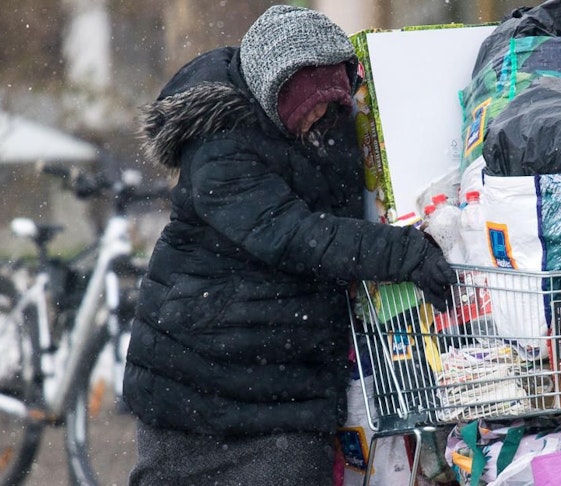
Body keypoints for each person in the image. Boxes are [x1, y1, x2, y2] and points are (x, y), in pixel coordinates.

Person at [123, 5, 456, 485]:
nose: (320, 118)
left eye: (330, 105)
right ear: (274, 91)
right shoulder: (219, 142)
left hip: (287, 386)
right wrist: (405, 251)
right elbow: (294, 234)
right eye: (310, 107)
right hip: (198, 379)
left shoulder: (332, 125)